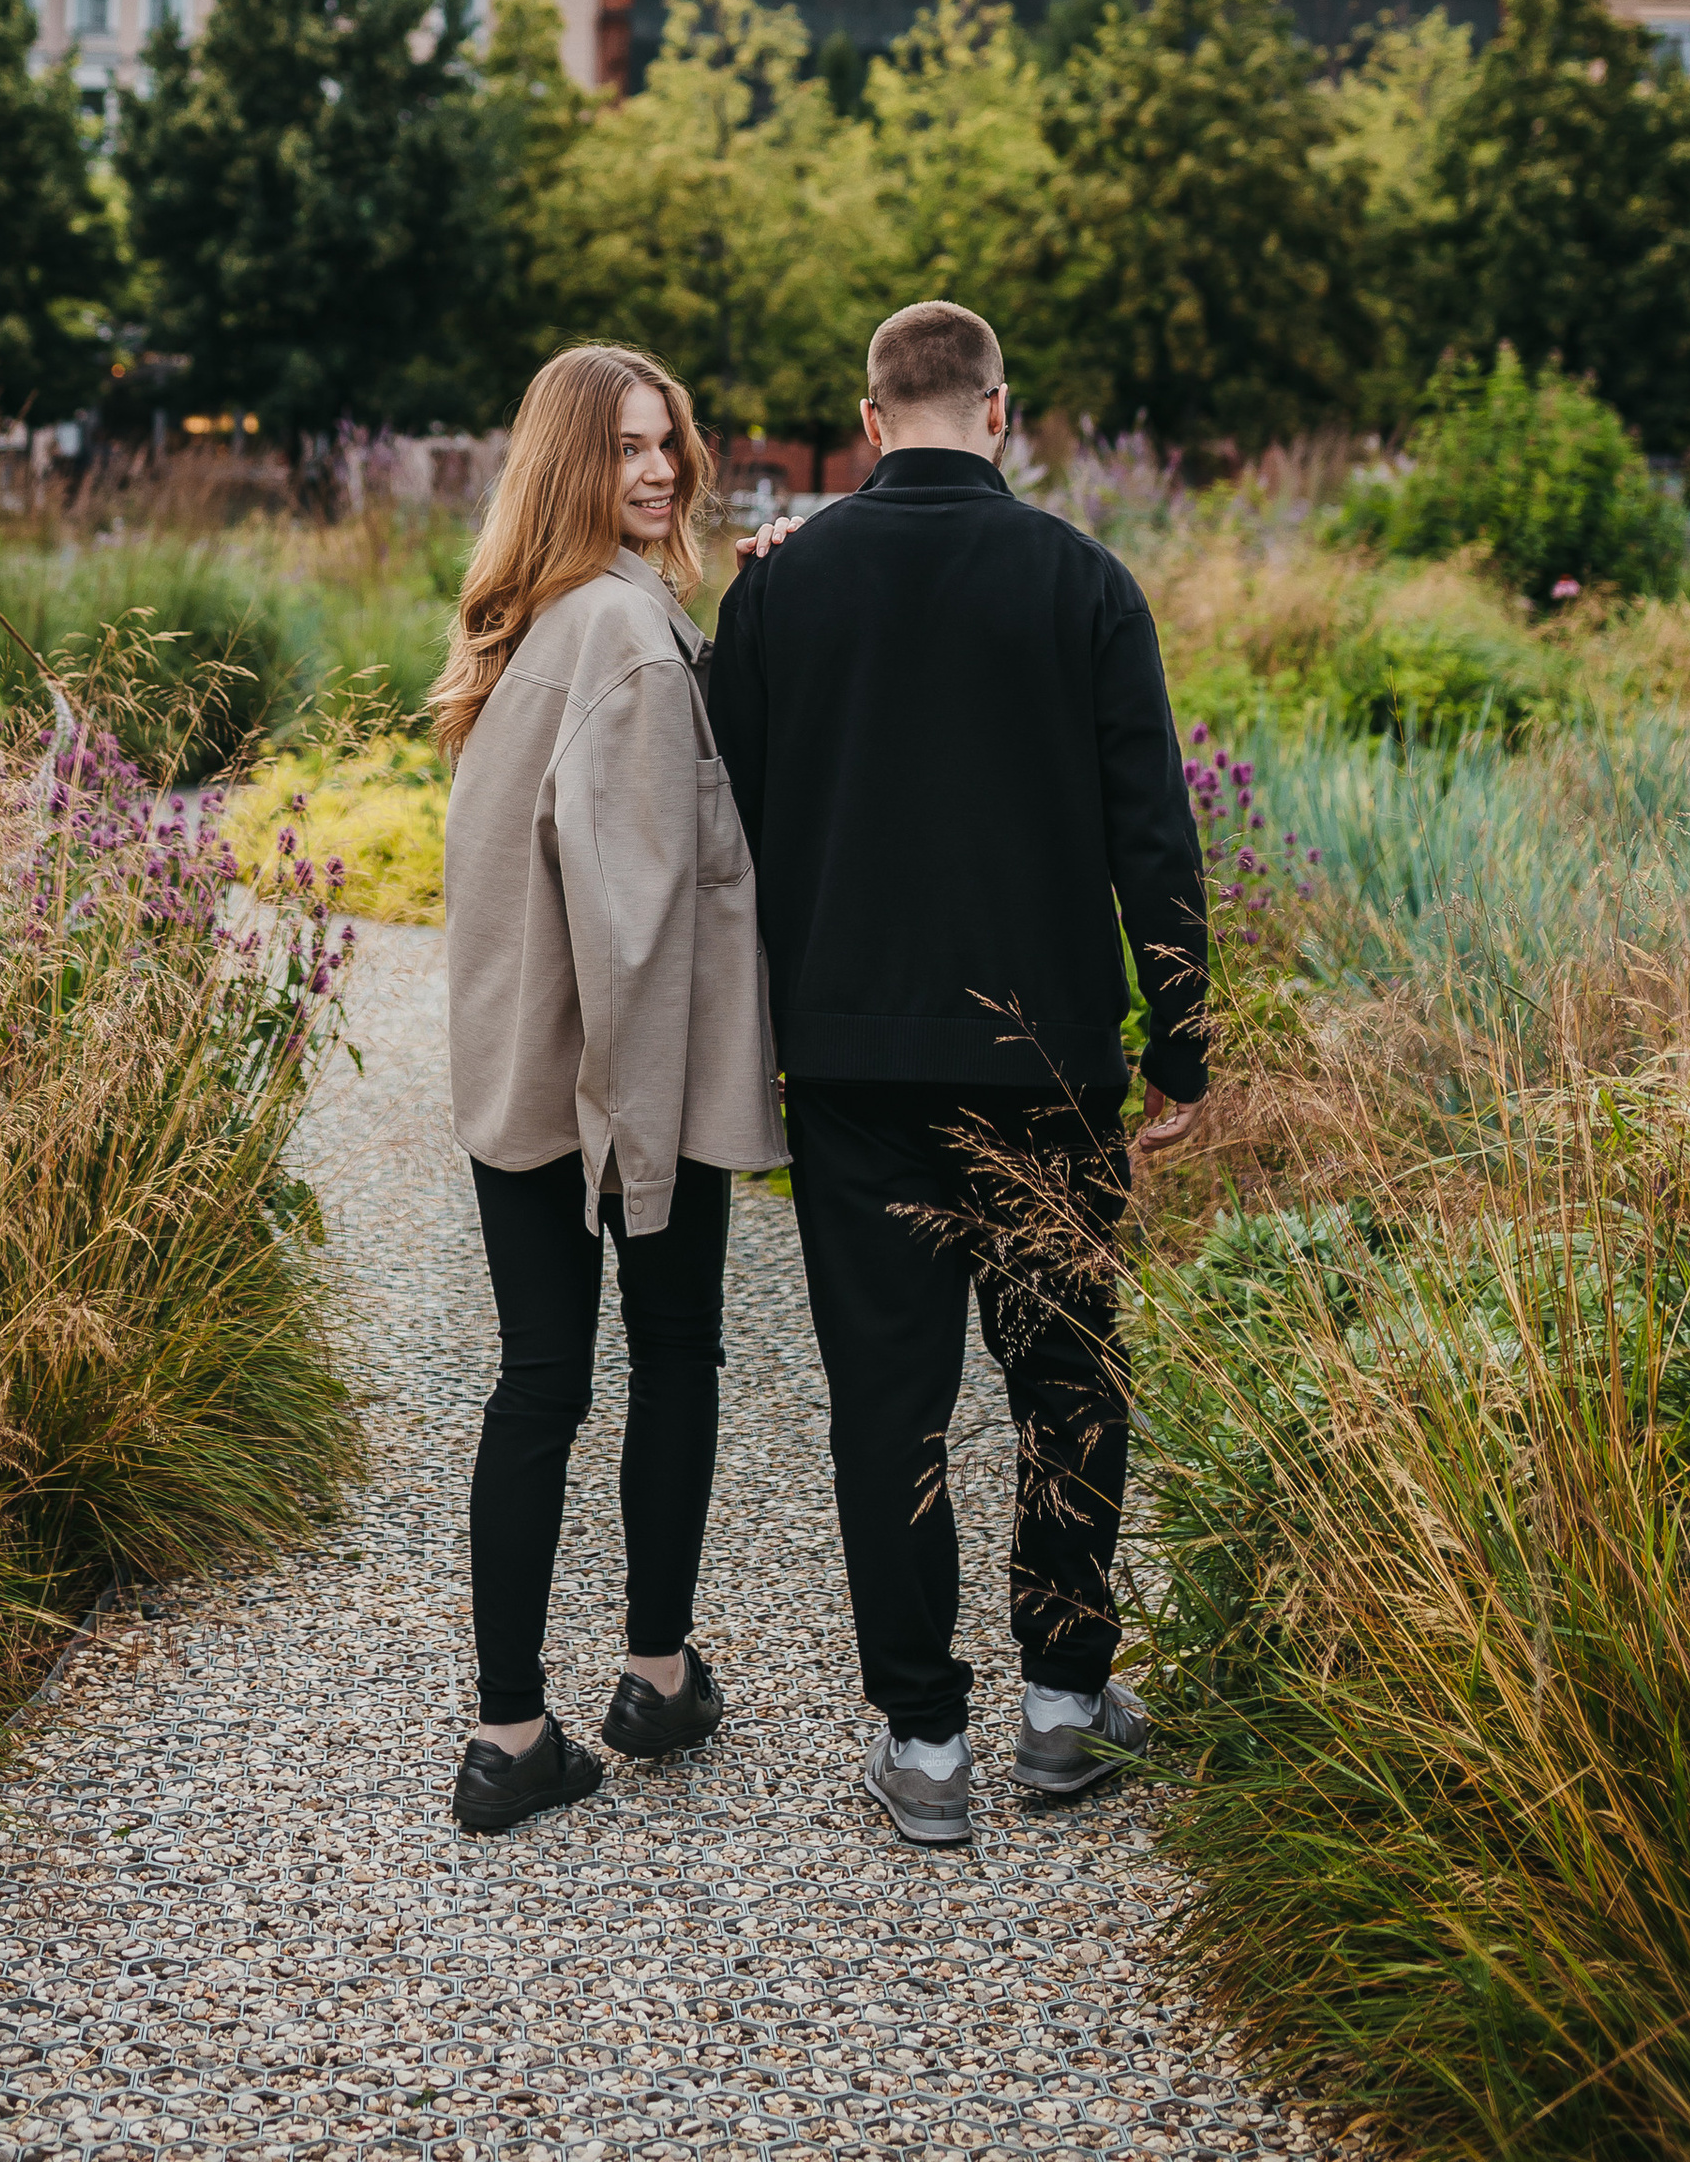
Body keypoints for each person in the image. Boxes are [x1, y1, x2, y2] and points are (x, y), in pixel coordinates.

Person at [705, 300, 1206, 1844]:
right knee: (1067, 1382)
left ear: (870, 420)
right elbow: (1152, 831)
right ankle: (1062, 1707)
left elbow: (727, 827)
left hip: (856, 1070)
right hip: (1046, 1068)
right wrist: (1179, 1045)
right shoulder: (1085, 584)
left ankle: (926, 1743)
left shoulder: (786, 591)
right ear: (1001, 412)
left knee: (890, 1404)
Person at [431, 340, 787, 1835]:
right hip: (623, 1095)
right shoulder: (631, 644)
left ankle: (512, 1733)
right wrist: (646, 1150)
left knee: (537, 1384)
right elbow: (635, 928)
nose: (656, 470)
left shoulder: (535, 627)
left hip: (519, 1081)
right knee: (671, 1358)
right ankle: (651, 1671)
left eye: (667, 444)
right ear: (571, 466)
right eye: (624, 449)